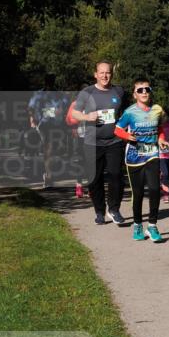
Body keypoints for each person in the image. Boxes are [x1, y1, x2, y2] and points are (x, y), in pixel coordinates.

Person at [113, 78, 168, 242]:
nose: (144, 92)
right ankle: (137, 225)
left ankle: (152, 226)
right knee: (137, 194)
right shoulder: (130, 112)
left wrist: (161, 139)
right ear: (134, 94)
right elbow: (117, 129)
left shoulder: (157, 109)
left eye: (147, 89)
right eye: (140, 90)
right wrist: (127, 135)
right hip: (134, 157)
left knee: (154, 189)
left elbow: (160, 128)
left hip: (152, 154)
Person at [72, 61, 126, 225]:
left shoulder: (119, 91)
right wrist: (88, 117)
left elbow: (127, 112)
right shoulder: (86, 92)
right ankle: (99, 212)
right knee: (94, 179)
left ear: (111, 74)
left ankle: (114, 209)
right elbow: (75, 113)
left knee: (116, 175)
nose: (105, 76)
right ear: (95, 74)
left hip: (114, 141)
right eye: (101, 73)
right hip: (92, 142)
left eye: (108, 72)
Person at [27, 75, 69, 188]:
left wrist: (60, 112)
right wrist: (32, 120)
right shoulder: (38, 94)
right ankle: (48, 176)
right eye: (48, 81)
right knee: (48, 148)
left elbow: (66, 107)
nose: (49, 84)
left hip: (58, 125)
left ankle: (50, 171)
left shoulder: (60, 95)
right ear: (45, 82)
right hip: (44, 124)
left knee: (57, 149)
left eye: (51, 81)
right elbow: (31, 107)